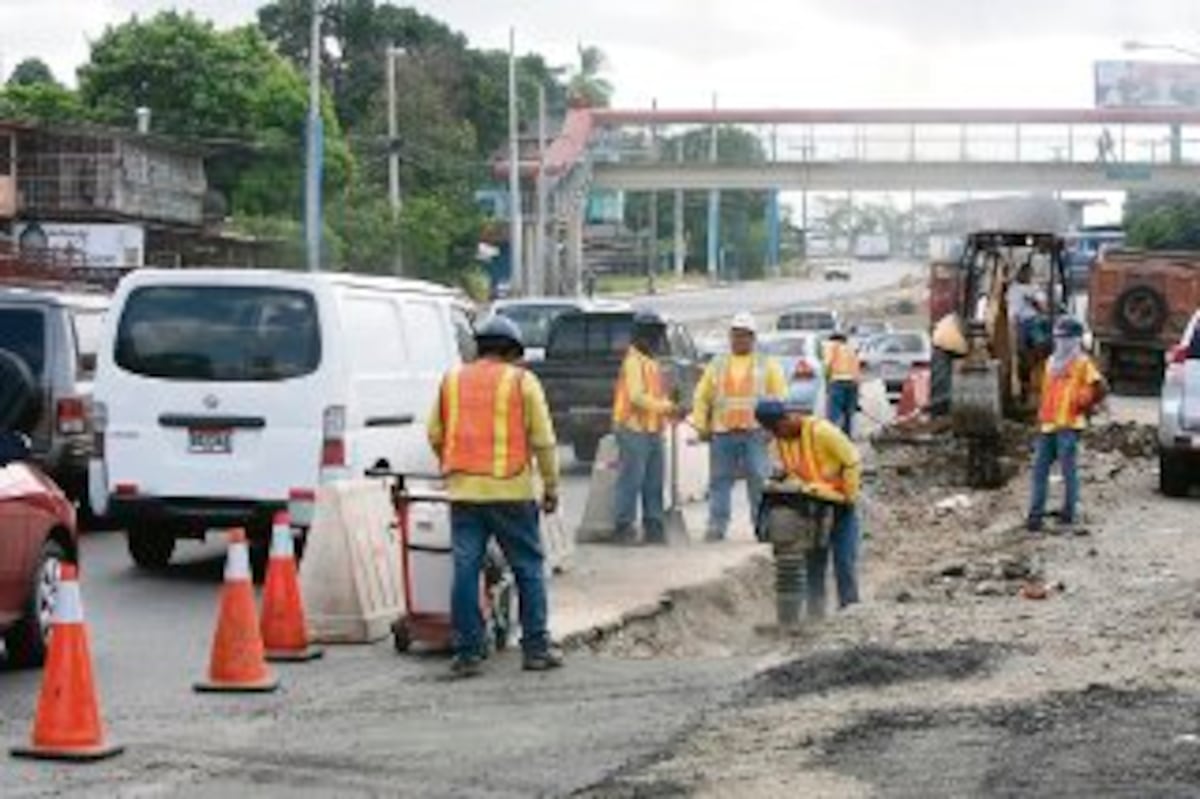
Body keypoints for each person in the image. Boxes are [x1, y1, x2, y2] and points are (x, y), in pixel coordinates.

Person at [427, 316, 563, 677]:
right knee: (528, 568)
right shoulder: (523, 382)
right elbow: (544, 441)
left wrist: (453, 465)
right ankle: (535, 648)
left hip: (464, 494)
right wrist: (550, 487)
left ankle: (468, 652)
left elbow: (434, 434)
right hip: (512, 491)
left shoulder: (452, 380)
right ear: (511, 351)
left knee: (465, 570)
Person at [756, 397, 863, 615]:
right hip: (811, 508)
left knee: (844, 561)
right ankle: (816, 612)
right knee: (814, 564)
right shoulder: (779, 443)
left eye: (777, 429)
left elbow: (852, 460)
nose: (777, 436)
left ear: (786, 419)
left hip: (840, 505)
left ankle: (850, 611)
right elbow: (786, 472)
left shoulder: (822, 432)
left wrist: (849, 495)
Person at [688, 312, 787, 541]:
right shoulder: (718, 364)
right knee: (719, 481)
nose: (739, 340)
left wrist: (773, 429)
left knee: (758, 481)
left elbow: (780, 398)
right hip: (723, 432)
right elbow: (702, 396)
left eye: (744, 336)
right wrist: (701, 424)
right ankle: (716, 526)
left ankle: (761, 526)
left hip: (755, 433)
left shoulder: (767, 364)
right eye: (735, 335)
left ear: (752, 338)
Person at [1025, 316, 1106, 532]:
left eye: (1064, 338)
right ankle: (1035, 517)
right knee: (1039, 472)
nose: (1060, 342)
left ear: (1074, 340)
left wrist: (1085, 402)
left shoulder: (1082, 363)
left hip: (1069, 426)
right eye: (1058, 338)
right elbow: (1046, 394)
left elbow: (1099, 387)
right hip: (1048, 425)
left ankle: (1068, 513)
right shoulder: (1051, 363)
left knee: (1068, 472)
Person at [612, 310, 678, 544]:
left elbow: (655, 396)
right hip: (632, 429)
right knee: (631, 479)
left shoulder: (651, 362)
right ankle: (624, 526)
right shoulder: (633, 361)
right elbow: (637, 397)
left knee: (654, 481)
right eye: (655, 336)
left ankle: (654, 526)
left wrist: (668, 411)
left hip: (652, 429)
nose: (658, 341)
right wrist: (666, 407)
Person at [822, 330, 861, 436]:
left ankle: (831, 437)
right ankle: (846, 437)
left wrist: (825, 381)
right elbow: (857, 368)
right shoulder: (851, 349)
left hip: (838, 381)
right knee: (848, 412)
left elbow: (827, 364)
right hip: (853, 382)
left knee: (834, 413)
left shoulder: (832, 346)